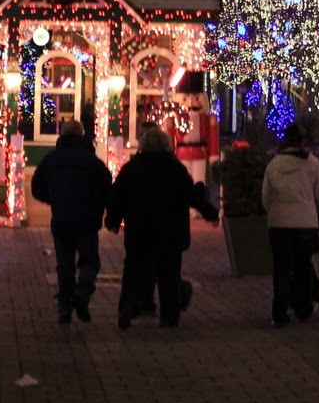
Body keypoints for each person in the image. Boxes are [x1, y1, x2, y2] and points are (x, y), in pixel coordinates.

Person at [105, 125, 218, 329]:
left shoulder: (131, 169)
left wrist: (112, 221)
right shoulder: (175, 169)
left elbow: (117, 197)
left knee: (133, 271)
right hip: (170, 233)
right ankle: (168, 316)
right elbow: (192, 195)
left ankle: (127, 305)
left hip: (139, 232)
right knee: (169, 274)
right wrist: (210, 213)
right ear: (166, 146)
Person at [30, 121, 113, 323]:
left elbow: (37, 187)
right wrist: (100, 208)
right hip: (87, 220)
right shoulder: (92, 162)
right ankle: (82, 293)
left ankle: (65, 307)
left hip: (62, 219)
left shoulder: (51, 160)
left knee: (64, 264)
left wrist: (53, 200)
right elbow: (106, 188)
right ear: (83, 135)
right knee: (89, 261)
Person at [261, 124, 319, 328]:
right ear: (302, 142)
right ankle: (303, 308)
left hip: (279, 223)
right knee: (303, 268)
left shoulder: (274, 165)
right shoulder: (312, 164)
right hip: (305, 224)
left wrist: (274, 212)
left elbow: (266, 197)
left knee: (281, 269)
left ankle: (279, 313)